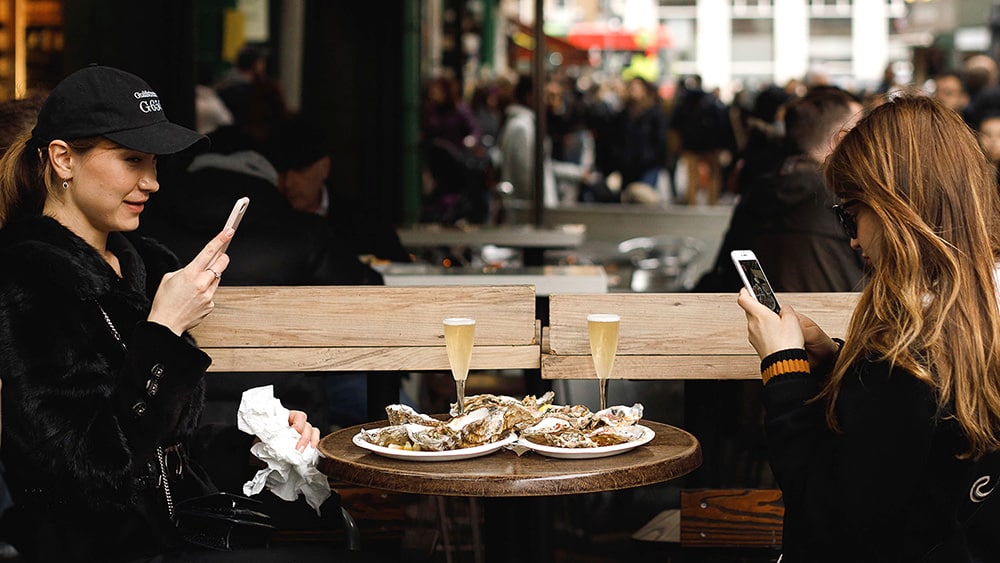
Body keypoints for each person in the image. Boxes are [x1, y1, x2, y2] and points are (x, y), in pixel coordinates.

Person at [0, 66, 367, 563]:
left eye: (152, 162)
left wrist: (264, 445)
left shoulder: (144, 265)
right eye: (131, 160)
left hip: (184, 528)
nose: (151, 182)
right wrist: (163, 331)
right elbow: (83, 474)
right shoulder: (27, 277)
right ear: (64, 159)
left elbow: (170, 446)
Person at [736, 95, 1000, 561]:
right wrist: (838, 360)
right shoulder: (972, 322)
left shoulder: (905, 353)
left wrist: (782, 367)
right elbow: (915, 439)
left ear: (894, 209)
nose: (853, 238)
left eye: (849, 212)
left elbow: (824, 514)